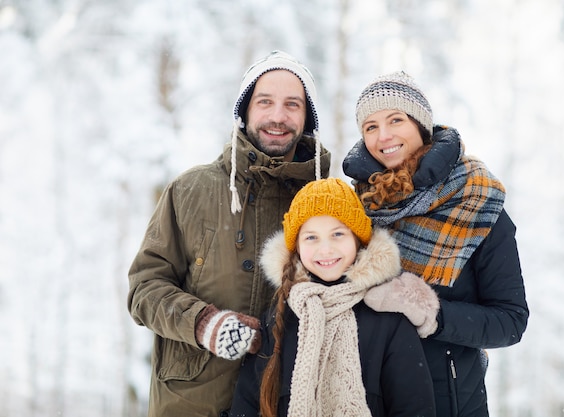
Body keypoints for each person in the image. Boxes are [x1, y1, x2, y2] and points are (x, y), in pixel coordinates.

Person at [127, 50, 331, 417]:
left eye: (292, 105)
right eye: (264, 101)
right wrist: (203, 323)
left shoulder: (325, 202)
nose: (277, 116)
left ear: (307, 118)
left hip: (285, 404)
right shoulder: (191, 190)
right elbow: (145, 288)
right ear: (245, 110)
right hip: (191, 403)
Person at [342, 71, 529, 417]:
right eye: (370, 126)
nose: (383, 136)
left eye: (395, 120)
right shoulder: (352, 207)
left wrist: (434, 314)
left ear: (421, 125)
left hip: (449, 401)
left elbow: (511, 321)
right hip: (367, 398)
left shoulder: (477, 200)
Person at [230, 178, 437, 417]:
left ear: (357, 239)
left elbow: (414, 408)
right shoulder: (276, 320)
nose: (325, 249)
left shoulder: (388, 320)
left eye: (338, 234)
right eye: (311, 237)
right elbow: (246, 406)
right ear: (296, 246)